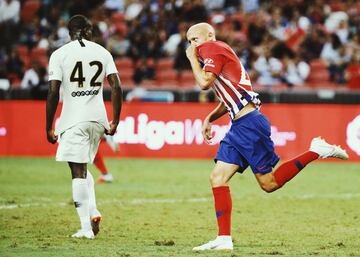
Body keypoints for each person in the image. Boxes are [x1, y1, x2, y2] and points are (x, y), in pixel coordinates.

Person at [185, 22, 348, 251]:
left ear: (209, 35)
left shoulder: (211, 48)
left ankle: (316, 151)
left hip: (250, 125)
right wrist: (210, 118)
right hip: (240, 125)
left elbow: (203, 83)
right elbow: (234, 97)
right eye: (189, 41)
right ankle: (224, 239)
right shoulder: (220, 53)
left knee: (269, 184)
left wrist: (192, 58)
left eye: (195, 39)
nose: (193, 45)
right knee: (217, 178)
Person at [46, 15, 122, 239]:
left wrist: (48, 126)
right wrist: (115, 120)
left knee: (77, 171)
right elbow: (116, 87)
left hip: (73, 120)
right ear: (87, 30)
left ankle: (85, 228)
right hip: (98, 120)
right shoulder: (102, 52)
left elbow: (52, 92)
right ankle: (92, 210)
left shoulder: (59, 55)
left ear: (70, 33)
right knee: (82, 168)